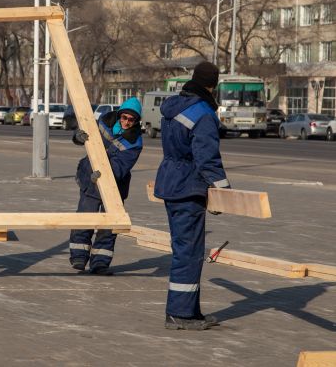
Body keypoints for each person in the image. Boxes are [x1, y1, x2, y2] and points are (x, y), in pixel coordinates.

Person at [154, 61, 229, 331]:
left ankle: (190, 310)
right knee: (188, 252)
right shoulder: (204, 113)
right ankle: (179, 314)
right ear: (213, 84)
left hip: (170, 181)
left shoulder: (174, 106)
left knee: (187, 250)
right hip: (188, 186)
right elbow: (207, 157)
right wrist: (222, 189)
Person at [69, 97, 143, 275]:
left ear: (136, 121)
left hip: (114, 186)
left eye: (131, 120)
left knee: (108, 226)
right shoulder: (103, 122)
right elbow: (84, 135)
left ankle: (100, 263)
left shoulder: (135, 142)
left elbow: (120, 167)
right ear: (119, 116)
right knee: (85, 218)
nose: (126, 122)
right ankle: (79, 257)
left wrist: (102, 174)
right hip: (89, 179)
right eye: (124, 118)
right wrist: (78, 137)